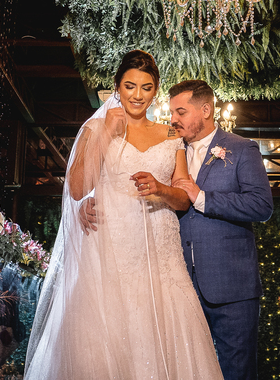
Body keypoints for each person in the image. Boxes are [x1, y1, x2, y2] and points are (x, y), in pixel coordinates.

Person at [24, 50, 223, 380]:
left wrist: (160, 188)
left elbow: (183, 199)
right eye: (130, 86)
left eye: (146, 87)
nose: (138, 95)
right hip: (110, 247)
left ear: (156, 90)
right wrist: (105, 135)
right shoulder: (96, 128)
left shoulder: (172, 134)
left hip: (160, 251)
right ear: (117, 86)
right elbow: (76, 188)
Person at [169, 79, 274, 380]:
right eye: (172, 112)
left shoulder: (242, 149)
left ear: (205, 110)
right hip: (180, 288)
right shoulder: (171, 153)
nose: (173, 119)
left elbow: (261, 206)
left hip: (232, 288)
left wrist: (201, 198)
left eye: (180, 111)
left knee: (237, 373)